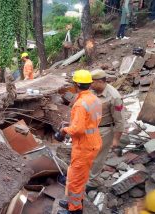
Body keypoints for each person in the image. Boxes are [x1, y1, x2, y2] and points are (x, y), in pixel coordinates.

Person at [57, 70, 102, 214]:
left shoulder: (80, 104)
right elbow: (88, 122)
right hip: (93, 142)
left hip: (84, 146)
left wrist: (64, 130)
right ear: (89, 84)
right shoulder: (94, 99)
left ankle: (74, 210)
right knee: (80, 176)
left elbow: (78, 129)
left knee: (75, 179)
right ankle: (74, 203)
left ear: (76, 84)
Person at [86, 69, 125, 191]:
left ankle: (92, 182)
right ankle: (89, 175)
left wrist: (116, 140)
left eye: (92, 82)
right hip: (91, 128)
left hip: (105, 130)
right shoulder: (93, 91)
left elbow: (119, 120)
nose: (90, 85)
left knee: (98, 157)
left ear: (99, 81)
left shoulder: (114, 97)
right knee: (89, 154)